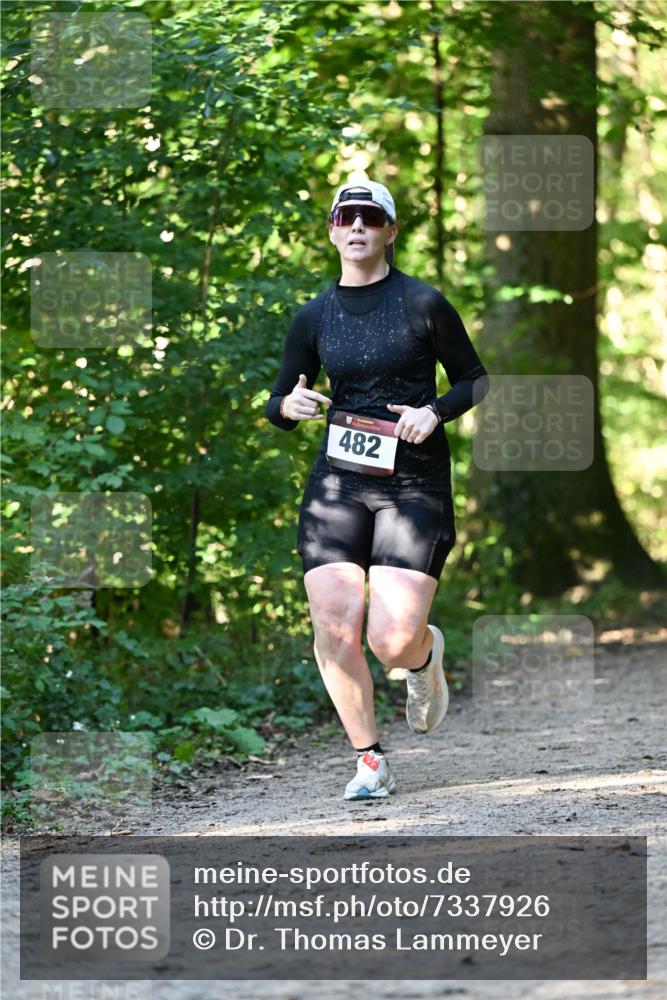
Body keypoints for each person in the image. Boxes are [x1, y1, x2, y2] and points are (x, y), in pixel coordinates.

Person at [266, 180, 489, 800]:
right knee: (333, 629)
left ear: (390, 231)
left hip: (413, 484)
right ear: (334, 231)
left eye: (371, 217)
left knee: (389, 639)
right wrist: (290, 403)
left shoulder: (423, 303)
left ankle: (422, 659)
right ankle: (369, 761)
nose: (357, 226)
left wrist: (435, 411)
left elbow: (475, 380)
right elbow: (277, 403)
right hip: (337, 483)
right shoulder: (314, 315)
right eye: (346, 217)